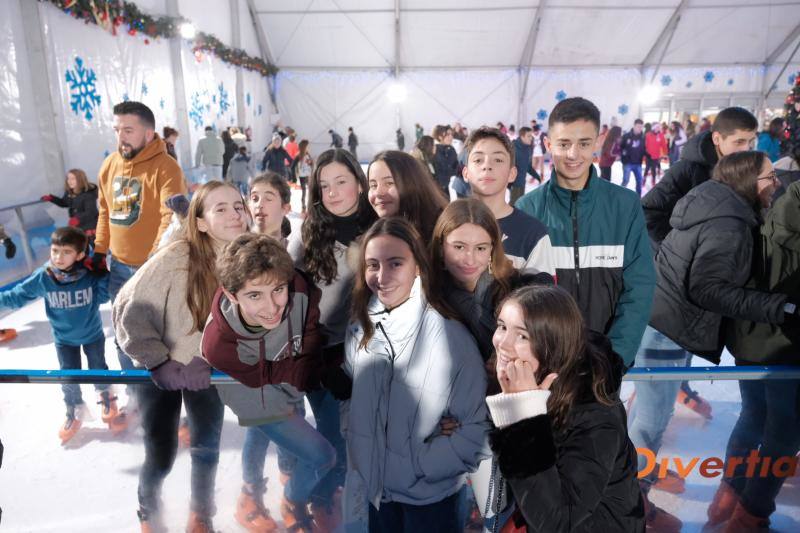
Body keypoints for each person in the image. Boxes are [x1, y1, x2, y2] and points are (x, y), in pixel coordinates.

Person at [630, 151, 798, 532]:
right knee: (651, 421)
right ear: (748, 183)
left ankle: (635, 490)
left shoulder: (720, 204)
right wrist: (780, 307)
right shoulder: (729, 224)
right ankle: (629, 500)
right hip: (667, 325)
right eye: (769, 177)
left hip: (666, 320)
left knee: (652, 416)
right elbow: (708, 289)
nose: (776, 183)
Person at [113, 181, 248, 532]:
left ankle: (201, 514)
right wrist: (158, 361)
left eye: (238, 205)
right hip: (157, 364)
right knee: (161, 452)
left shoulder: (246, 258)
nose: (235, 214)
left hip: (205, 369)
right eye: (221, 208)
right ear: (200, 222)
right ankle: (148, 508)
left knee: (207, 445)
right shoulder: (177, 258)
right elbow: (129, 310)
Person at [344, 217, 490, 532]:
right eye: (372, 265)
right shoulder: (361, 330)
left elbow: (478, 429)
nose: (381, 277)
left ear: (418, 267)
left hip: (430, 501)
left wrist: (425, 465)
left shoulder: (449, 337)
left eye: (395, 263)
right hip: (378, 494)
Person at [202, 233, 337, 532]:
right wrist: (300, 371)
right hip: (255, 398)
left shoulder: (298, 287)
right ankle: (286, 497)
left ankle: (285, 481)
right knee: (321, 456)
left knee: (290, 437)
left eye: (277, 289)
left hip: (291, 386)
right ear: (232, 294)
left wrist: (311, 354)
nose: (272, 306)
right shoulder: (218, 344)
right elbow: (259, 377)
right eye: (255, 295)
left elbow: (311, 321)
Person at [485, 285, 644, 532]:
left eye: (522, 335)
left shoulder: (595, 414)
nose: (503, 344)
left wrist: (523, 416)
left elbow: (557, 520)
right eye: (502, 326)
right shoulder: (516, 376)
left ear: (553, 346)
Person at [515, 97, 655, 366]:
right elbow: (519, 296)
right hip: (546, 365)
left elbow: (640, 286)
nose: (573, 155)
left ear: (598, 142)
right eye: (564, 144)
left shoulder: (624, 205)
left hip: (606, 363)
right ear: (547, 145)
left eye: (584, 144)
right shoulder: (528, 209)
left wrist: (615, 358)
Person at [287, 148, 378, 525]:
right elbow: (287, 303)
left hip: (372, 351)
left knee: (366, 440)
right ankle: (313, 496)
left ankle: (351, 500)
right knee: (332, 440)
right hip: (324, 354)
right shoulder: (307, 236)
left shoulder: (381, 229)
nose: (334, 192)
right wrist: (312, 356)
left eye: (342, 182)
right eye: (325, 186)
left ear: (359, 182)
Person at [714, 180, 800, 531]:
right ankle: (751, 514)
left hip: (749, 338)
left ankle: (727, 498)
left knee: (754, 415)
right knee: (786, 431)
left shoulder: (766, 207)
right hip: (785, 346)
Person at [92, 100, 187, 413]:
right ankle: (139, 397)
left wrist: (154, 260)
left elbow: (169, 216)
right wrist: (99, 252)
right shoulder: (109, 166)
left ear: (149, 133)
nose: (121, 136)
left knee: (162, 339)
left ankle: (167, 401)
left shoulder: (166, 167)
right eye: (118, 129)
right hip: (119, 268)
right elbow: (105, 211)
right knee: (124, 337)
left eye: (128, 130)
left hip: (155, 269)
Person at [0, 226, 121, 442]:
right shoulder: (45, 276)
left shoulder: (89, 277)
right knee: (68, 376)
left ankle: (106, 397)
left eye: (66, 252)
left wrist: (103, 275)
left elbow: (104, 297)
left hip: (92, 335)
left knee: (98, 369)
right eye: (55, 251)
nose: (58, 257)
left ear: (80, 255)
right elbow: (18, 295)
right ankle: (73, 410)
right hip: (64, 340)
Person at [430, 198, 553, 363]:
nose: (470, 259)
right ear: (441, 247)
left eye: (480, 248)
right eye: (459, 247)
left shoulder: (517, 291)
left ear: (492, 250)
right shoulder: (424, 293)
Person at [642, 107, 758, 250]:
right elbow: (648, 213)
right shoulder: (687, 171)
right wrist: (677, 251)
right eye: (739, 142)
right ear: (717, 138)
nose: (746, 149)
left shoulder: (749, 170)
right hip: (695, 266)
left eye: (750, 142)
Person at [461, 127, 556, 278]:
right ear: (465, 173)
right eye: (478, 160)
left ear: (512, 174)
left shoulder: (532, 233)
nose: (487, 166)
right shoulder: (449, 226)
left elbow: (542, 298)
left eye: (498, 160)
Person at [367, 150, 447, 241]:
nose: (378, 193)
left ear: (411, 183)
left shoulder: (442, 234)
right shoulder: (369, 235)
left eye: (389, 183)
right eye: (373, 185)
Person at [41, 168, 99, 236]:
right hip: (78, 226)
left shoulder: (88, 195)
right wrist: (51, 198)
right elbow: (64, 203)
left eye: (73, 179)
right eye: (68, 178)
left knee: (95, 245)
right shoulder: (70, 192)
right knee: (80, 245)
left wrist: (78, 219)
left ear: (80, 179)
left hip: (91, 227)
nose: (69, 181)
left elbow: (91, 212)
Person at [248, 173, 291, 242]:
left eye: (268, 199)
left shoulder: (293, 250)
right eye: (255, 199)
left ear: (285, 208)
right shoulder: (237, 247)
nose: (259, 204)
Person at [620, 119, 646, 196]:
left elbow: (643, 149)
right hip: (628, 163)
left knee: (639, 181)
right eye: (638, 127)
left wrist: (647, 155)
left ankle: (638, 198)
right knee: (625, 180)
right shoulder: (626, 136)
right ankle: (620, 196)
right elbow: (621, 148)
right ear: (634, 126)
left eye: (641, 127)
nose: (640, 129)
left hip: (638, 163)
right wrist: (624, 159)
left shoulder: (643, 137)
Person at [510, 127, 535, 203]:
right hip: (514, 181)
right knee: (514, 202)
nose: (531, 138)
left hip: (522, 180)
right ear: (522, 137)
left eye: (531, 136)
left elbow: (527, 165)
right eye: (529, 136)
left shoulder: (528, 148)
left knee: (520, 201)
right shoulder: (513, 147)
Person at [432, 125, 459, 193]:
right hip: (436, 190)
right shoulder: (433, 150)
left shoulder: (451, 149)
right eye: (448, 135)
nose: (451, 137)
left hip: (450, 188)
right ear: (440, 137)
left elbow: (456, 166)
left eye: (451, 134)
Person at [290, 139, 313, 211]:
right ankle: (303, 206)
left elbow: (310, 164)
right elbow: (292, 166)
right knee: (304, 191)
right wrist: (294, 177)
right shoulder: (298, 156)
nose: (308, 148)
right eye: (307, 146)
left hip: (308, 175)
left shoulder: (308, 154)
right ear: (304, 147)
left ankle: (310, 205)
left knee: (311, 190)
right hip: (302, 176)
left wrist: (311, 163)